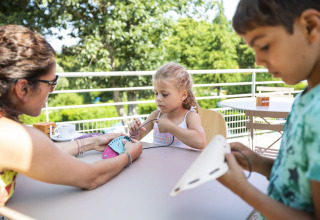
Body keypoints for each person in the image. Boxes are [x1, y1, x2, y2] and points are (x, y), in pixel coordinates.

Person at [0, 25, 142, 206]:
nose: (52, 90)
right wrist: (129, 155)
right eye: (51, 83)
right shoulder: (13, 137)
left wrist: (92, 142)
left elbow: (43, 154)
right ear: (23, 88)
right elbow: (91, 177)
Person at [217, 0, 320, 219]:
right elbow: (299, 182)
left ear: (311, 26)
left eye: (263, 46)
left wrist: (243, 190)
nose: (258, 60)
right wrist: (260, 163)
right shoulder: (306, 97)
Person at [128, 62, 206, 150]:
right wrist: (134, 130)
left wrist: (171, 128)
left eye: (164, 94)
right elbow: (136, 138)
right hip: (160, 163)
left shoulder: (189, 117)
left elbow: (201, 142)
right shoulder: (156, 115)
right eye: (156, 93)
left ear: (183, 95)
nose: (158, 98)